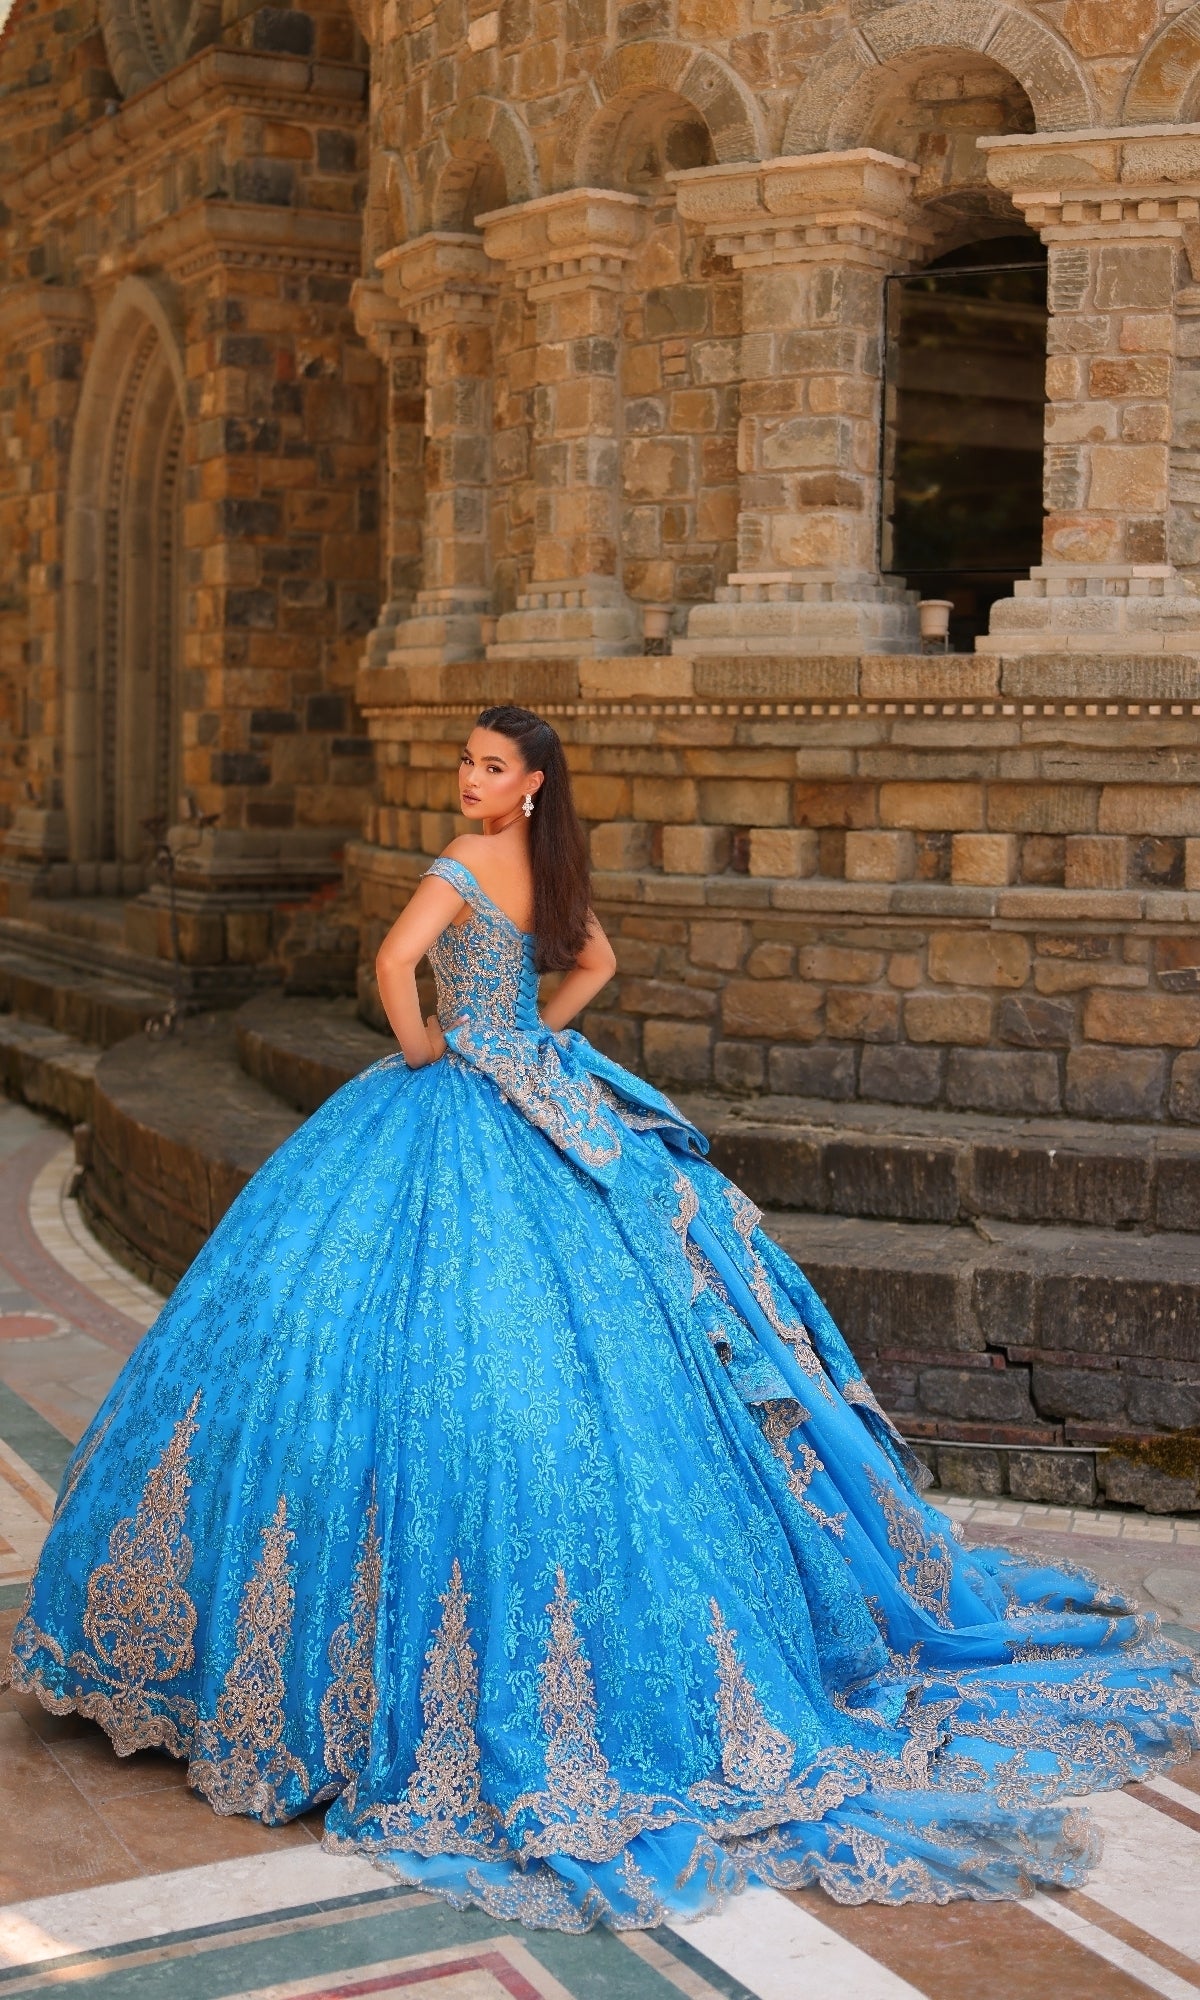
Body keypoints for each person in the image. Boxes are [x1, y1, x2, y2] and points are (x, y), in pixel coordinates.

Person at [7, 703, 1199, 1933]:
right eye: (465, 761)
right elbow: (597, 966)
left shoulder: (461, 865)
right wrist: (531, 1041)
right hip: (543, 1090)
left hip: (458, 1093)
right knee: (602, 1341)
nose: (466, 778)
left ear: (526, 785)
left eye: (487, 766)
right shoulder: (547, 863)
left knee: (363, 1345)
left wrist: (430, 1050)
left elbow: (388, 965)